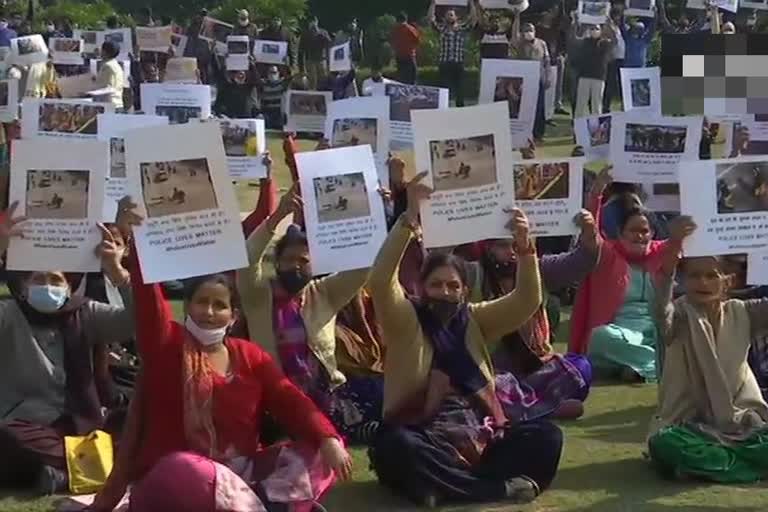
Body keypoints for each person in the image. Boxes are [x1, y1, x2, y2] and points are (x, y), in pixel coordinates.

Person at [90, 196, 352, 512]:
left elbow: (290, 401)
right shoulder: (167, 343)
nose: (209, 312)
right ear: (186, 307)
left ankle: (256, 503)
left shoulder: (250, 355)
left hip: (239, 477)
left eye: (220, 305)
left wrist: (327, 439)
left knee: (319, 453)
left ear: (234, 316)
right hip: (177, 477)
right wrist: (139, 242)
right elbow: (148, 302)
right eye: (201, 303)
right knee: (186, 469)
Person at [367, 174, 563, 507]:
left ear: (464, 291)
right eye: (437, 285)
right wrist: (409, 218)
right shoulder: (405, 318)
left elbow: (526, 301)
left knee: (548, 436)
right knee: (396, 446)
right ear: (421, 288)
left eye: (453, 286)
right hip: (422, 434)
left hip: (479, 437)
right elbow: (381, 279)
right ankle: (494, 490)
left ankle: (440, 487)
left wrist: (525, 248)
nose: (445, 292)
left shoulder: (473, 318)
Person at [0, 205, 134, 494]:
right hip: (27, 426)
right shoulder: (8, 315)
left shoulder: (85, 313)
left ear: (69, 287)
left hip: (84, 423)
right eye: (39, 279)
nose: (48, 286)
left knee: (136, 423)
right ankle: (100, 465)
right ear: (23, 287)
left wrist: (117, 271)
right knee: (7, 439)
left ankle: (61, 474)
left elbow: (138, 321)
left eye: (55, 280)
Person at [235, 187, 369, 416]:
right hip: (271, 397)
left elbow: (363, 268)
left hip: (321, 397)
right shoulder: (258, 294)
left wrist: (366, 211)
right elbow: (248, 258)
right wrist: (277, 216)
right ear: (276, 264)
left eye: (304, 260)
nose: (296, 265)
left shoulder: (325, 292)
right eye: (288, 259)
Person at [648, 247, 768, 484]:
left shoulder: (743, 312)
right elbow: (661, 312)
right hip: (688, 427)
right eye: (694, 275)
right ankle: (747, 466)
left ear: (728, 281)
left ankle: (719, 464)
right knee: (665, 444)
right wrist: (669, 265)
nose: (702, 282)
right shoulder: (678, 315)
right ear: (682, 280)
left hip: (744, 424)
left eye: (711, 275)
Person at [472, 210, 599, 420]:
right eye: (503, 246)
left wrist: (589, 233)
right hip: (493, 372)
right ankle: (540, 408)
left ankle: (526, 406)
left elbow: (582, 261)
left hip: (537, 368)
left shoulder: (537, 268)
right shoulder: (472, 274)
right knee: (482, 385)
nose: (511, 252)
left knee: (580, 368)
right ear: (488, 248)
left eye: (515, 245)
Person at [569, 168, 688, 382]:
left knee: (685, 332)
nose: (640, 236)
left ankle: (631, 367)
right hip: (619, 332)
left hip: (656, 330)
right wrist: (596, 192)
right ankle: (655, 367)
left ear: (652, 233)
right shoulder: (607, 254)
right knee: (599, 337)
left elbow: (686, 236)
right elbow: (591, 231)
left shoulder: (662, 252)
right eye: (634, 231)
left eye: (645, 231)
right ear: (621, 233)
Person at [428, 0, 480, 108]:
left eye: (451, 15)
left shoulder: (461, 29)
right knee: (444, 90)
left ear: (455, 17)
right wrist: (433, 4)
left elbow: (474, 21)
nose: (449, 17)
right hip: (445, 63)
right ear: (444, 18)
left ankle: (460, 111)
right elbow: (430, 19)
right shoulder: (442, 29)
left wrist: (471, 4)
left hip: (458, 63)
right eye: (447, 15)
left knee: (460, 90)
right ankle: (444, 110)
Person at [510, 19, 551, 142]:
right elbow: (513, 34)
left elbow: (547, 62)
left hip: (539, 79)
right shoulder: (519, 43)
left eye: (530, 30)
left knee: (539, 107)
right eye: (526, 30)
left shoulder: (542, 43)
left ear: (535, 31)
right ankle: (523, 133)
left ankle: (539, 133)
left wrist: (548, 77)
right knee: (524, 107)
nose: (528, 32)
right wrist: (517, 16)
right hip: (523, 81)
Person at [569, 15, 616, 118]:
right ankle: (578, 129)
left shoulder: (605, 43)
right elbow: (573, 39)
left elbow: (614, 40)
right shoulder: (585, 42)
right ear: (589, 31)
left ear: (601, 30)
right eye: (592, 28)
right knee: (580, 105)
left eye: (597, 29)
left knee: (596, 105)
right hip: (584, 76)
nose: (594, 30)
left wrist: (609, 25)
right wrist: (575, 23)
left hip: (599, 77)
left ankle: (596, 131)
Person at [602, 6, 625, 113]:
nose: (619, 19)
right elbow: (613, 41)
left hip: (620, 59)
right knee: (610, 83)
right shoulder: (609, 27)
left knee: (620, 84)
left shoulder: (618, 27)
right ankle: (605, 106)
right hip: (613, 59)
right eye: (618, 16)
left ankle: (624, 105)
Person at [299, 17, 332, 89]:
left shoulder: (323, 32)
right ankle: (312, 93)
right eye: (311, 22)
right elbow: (301, 50)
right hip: (310, 60)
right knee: (312, 79)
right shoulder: (305, 33)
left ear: (317, 22)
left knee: (323, 78)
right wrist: (301, 67)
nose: (313, 23)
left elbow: (329, 44)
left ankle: (323, 92)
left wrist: (321, 35)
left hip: (321, 60)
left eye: (314, 21)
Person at [390, 11, 421, 85]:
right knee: (412, 76)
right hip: (409, 55)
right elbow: (418, 40)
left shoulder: (395, 30)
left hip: (399, 56)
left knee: (401, 77)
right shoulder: (410, 28)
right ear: (406, 19)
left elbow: (392, 41)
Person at [94, 41, 125, 110]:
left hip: (109, 104)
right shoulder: (117, 65)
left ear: (105, 52)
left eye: (102, 49)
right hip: (118, 103)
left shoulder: (107, 66)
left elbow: (103, 86)